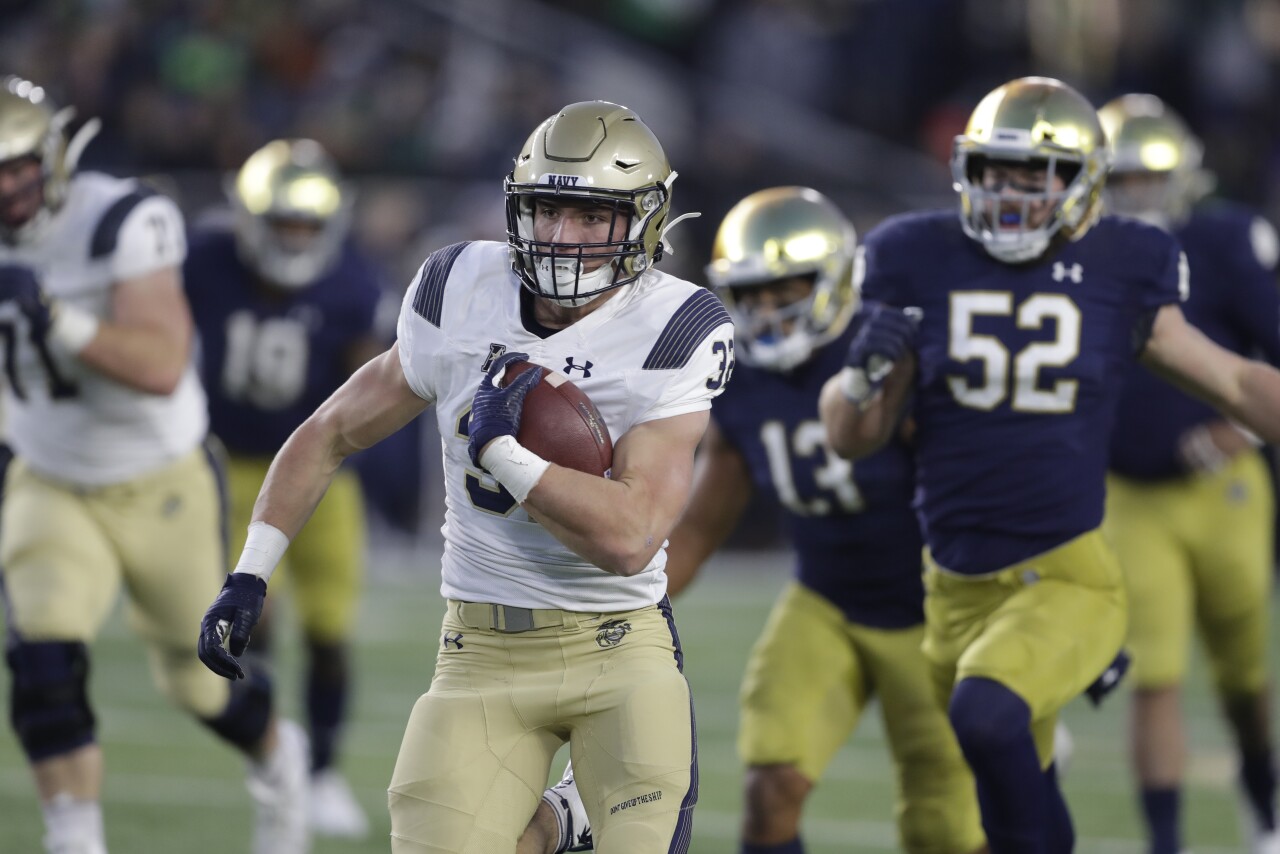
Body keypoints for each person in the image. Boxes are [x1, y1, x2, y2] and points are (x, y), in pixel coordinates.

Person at [197, 100, 733, 853]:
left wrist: (509, 455)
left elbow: (631, 538)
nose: (561, 236)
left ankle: (569, 818)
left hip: (618, 649)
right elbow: (328, 433)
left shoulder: (674, 326)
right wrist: (250, 573)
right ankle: (557, 826)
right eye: (547, 210)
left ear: (644, 223)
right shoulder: (459, 286)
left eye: (590, 217)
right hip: (480, 649)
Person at [819, 76, 1280, 854]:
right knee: (1009, 795)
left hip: (1066, 576)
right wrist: (859, 374)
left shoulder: (1122, 260)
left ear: (1083, 182)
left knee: (986, 714)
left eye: (1034, 173)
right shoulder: (914, 255)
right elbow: (851, 436)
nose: (1009, 192)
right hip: (955, 588)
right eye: (995, 170)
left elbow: (1231, 377)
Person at [0, 77, 308, 854]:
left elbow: (162, 362)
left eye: (17, 167)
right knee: (41, 660)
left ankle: (281, 763)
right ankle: (75, 840)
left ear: (53, 157)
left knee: (200, 683)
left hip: (159, 479)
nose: (7, 188)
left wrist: (55, 315)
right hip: (48, 475)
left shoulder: (119, 218)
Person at [185, 138, 392, 838]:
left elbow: (369, 383)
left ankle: (324, 769)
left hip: (324, 473)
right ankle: (278, 750)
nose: (297, 237)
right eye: (284, 223)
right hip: (229, 463)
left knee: (331, 630)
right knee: (255, 621)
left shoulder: (353, 285)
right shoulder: (204, 260)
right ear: (249, 218)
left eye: (308, 224)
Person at [1098, 93, 1280, 854]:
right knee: (1157, 676)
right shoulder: (1075, 256)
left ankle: (1265, 807)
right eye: (1123, 177)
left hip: (1222, 493)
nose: (1138, 193)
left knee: (1243, 671)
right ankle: (1166, 844)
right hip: (1129, 494)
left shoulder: (1225, 239)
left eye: (1152, 175)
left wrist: (1238, 428)